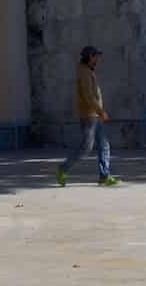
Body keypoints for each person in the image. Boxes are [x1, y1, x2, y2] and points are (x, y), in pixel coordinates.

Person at [55, 46, 119, 187]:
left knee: (104, 145)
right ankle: (62, 169)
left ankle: (104, 176)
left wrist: (99, 112)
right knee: (86, 147)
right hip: (90, 115)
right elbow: (89, 96)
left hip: (94, 114)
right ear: (90, 56)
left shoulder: (88, 71)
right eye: (96, 56)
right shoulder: (84, 72)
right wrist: (101, 111)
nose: (98, 59)